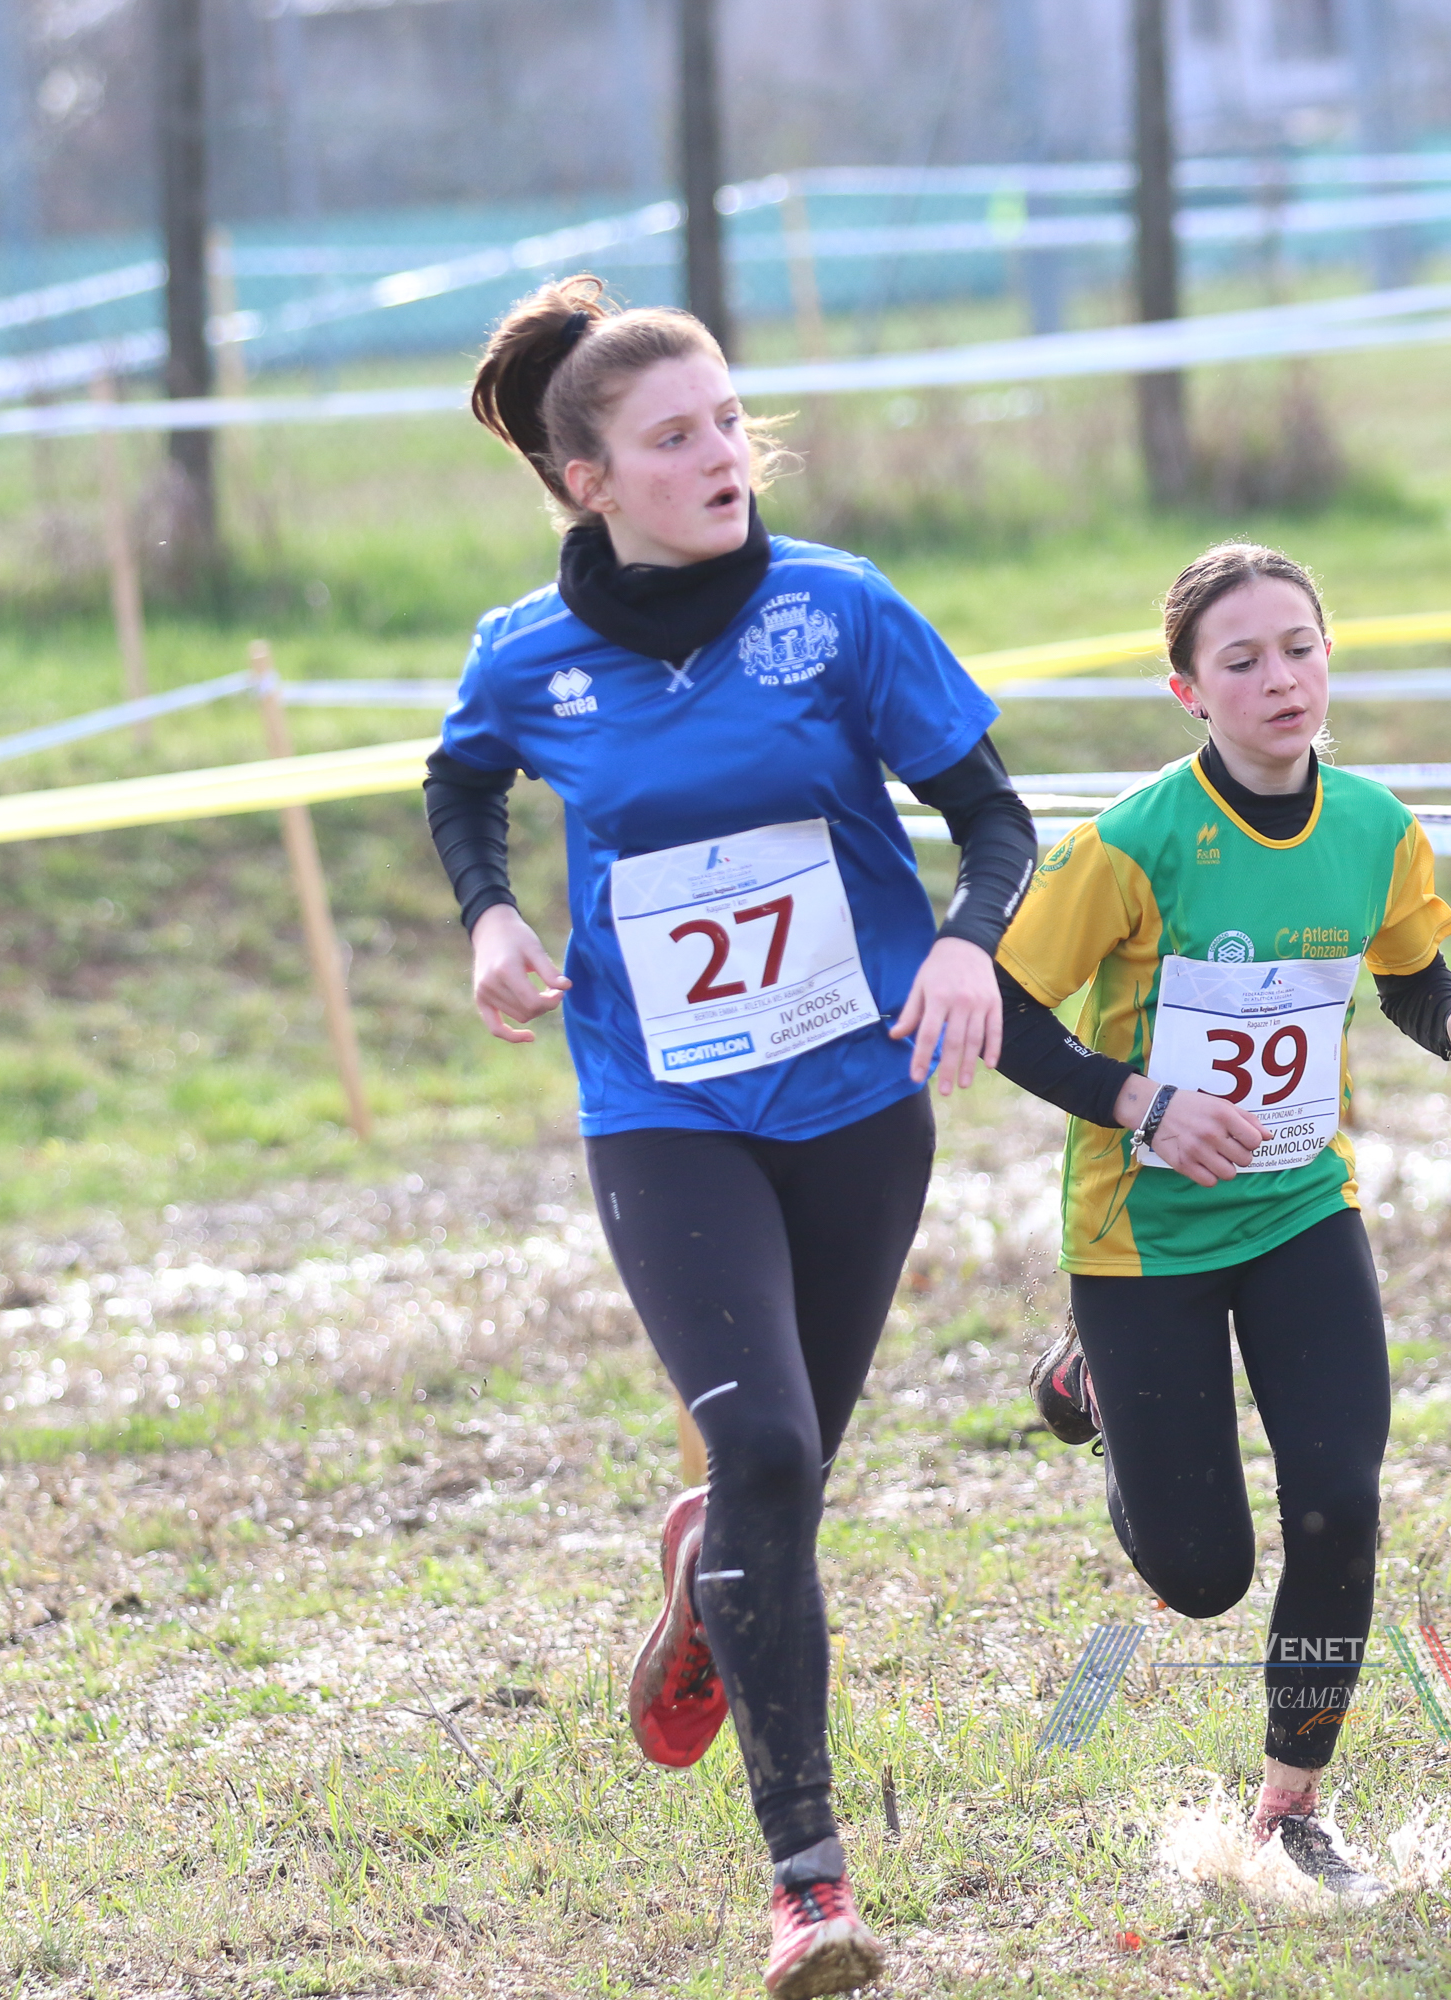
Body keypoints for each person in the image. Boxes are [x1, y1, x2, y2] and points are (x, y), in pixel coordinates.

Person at [423, 274, 1036, 2000]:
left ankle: (711, 1565)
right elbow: (459, 780)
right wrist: (488, 916)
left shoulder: (839, 610)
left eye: (728, 422)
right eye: (673, 437)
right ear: (590, 480)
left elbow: (994, 816)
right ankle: (809, 1890)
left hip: (857, 1096)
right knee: (760, 1443)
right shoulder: (525, 655)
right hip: (661, 1102)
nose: (721, 456)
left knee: (788, 1474)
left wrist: (967, 945)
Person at [989, 542, 1451, 1898]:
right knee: (1202, 1578)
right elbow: (999, 1009)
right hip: (1145, 1240)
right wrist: (1142, 1103)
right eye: (1240, 660)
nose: (1279, 679)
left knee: (1340, 1503)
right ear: (1188, 691)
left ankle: (1290, 1807)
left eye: (1299, 648)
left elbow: (1413, 975)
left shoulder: (1374, 826)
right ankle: (1092, 1374)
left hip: (1304, 1208)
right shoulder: (1128, 845)